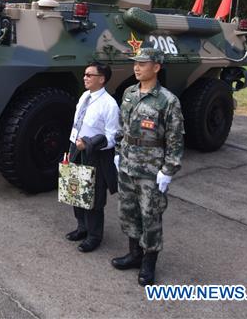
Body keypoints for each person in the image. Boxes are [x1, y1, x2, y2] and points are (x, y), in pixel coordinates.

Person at [111, 47, 184, 286]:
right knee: (128, 211)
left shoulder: (168, 101)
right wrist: (118, 152)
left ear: (156, 67)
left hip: (151, 170)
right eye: (135, 63)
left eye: (142, 63)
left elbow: (175, 139)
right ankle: (134, 254)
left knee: (150, 215)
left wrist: (168, 170)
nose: (136, 67)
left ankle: (149, 263)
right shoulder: (129, 93)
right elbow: (122, 126)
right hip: (127, 164)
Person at [64, 62, 120, 253]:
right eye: (85, 74)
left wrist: (89, 143)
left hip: (95, 155)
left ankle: (94, 236)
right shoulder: (85, 96)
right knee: (75, 190)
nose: (85, 77)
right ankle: (82, 227)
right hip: (76, 149)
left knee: (94, 197)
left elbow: (112, 137)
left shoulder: (109, 105)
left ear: (101, 79)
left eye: (89, 75)